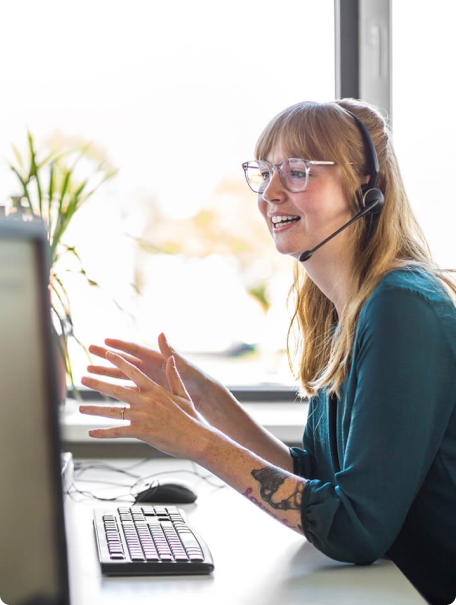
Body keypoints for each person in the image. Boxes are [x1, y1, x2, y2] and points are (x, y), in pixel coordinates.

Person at [79, 99, 456, 605]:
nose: (270, 194)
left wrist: (196, 441)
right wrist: (208, 401)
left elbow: (354, 527)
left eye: (298, 172)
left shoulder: (401, 306)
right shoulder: (345, 311)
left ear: (366, 188)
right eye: (265, 172)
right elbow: (319, 478)